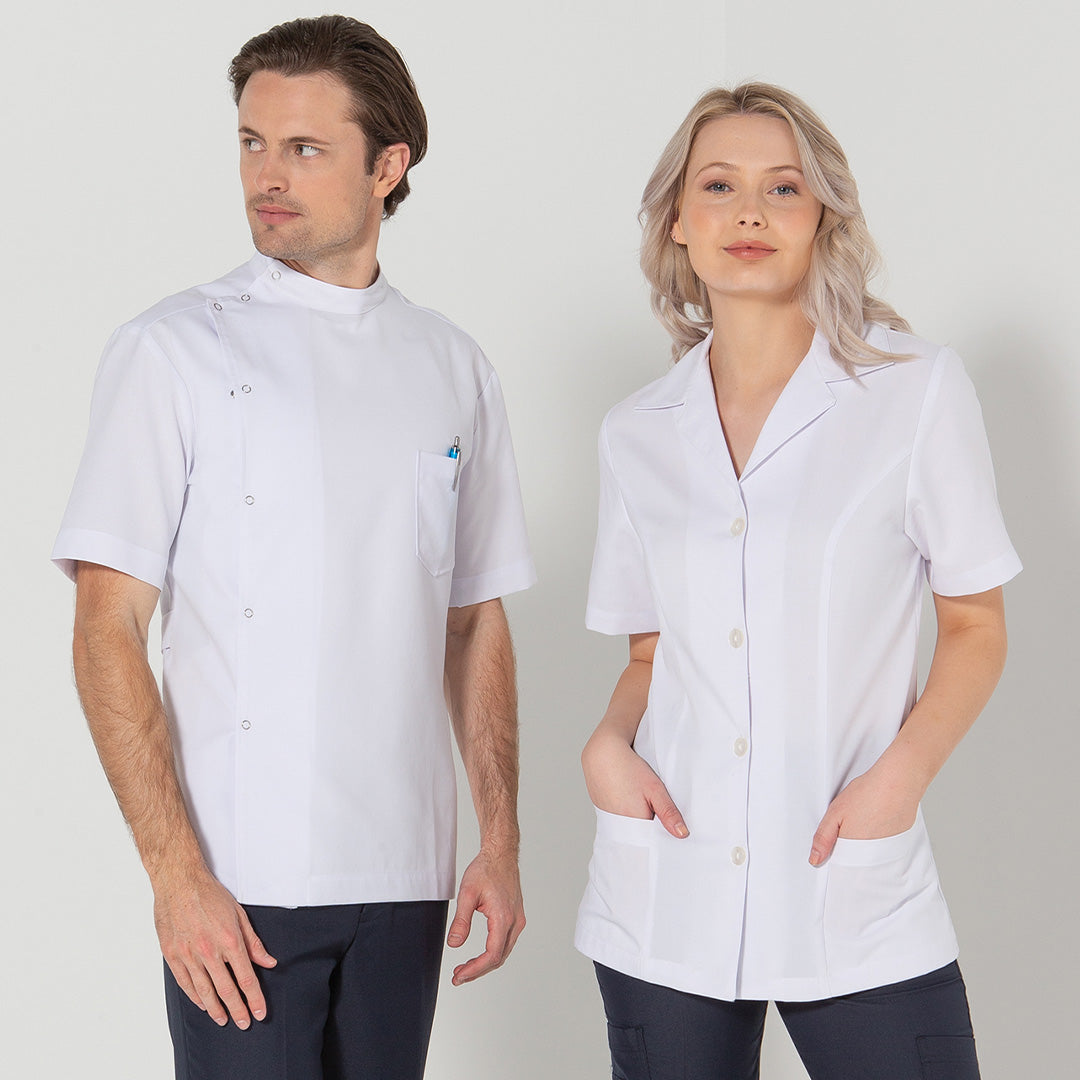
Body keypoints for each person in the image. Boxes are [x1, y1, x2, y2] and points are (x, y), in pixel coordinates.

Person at [53, 15, 534, 1080]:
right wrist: (175, 875)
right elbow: (107, 624)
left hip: (407, 879)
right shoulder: (172, 349)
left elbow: (472, 621)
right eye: (251, 142)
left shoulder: (452, 367)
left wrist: (498, 844)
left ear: (388, 166)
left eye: (305, 148)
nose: (266, 176)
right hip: (240, 883)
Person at [577, 83, 1019, 1080]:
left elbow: (977, 626)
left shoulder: (913, 388)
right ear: (677, 221)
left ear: (823, 215)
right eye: (718, 186)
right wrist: (608, 744)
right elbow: (651, 653)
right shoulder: (636, 431)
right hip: (669, 882)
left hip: (849, 875)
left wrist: (898, 782)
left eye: (782, 187)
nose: (749, 212)